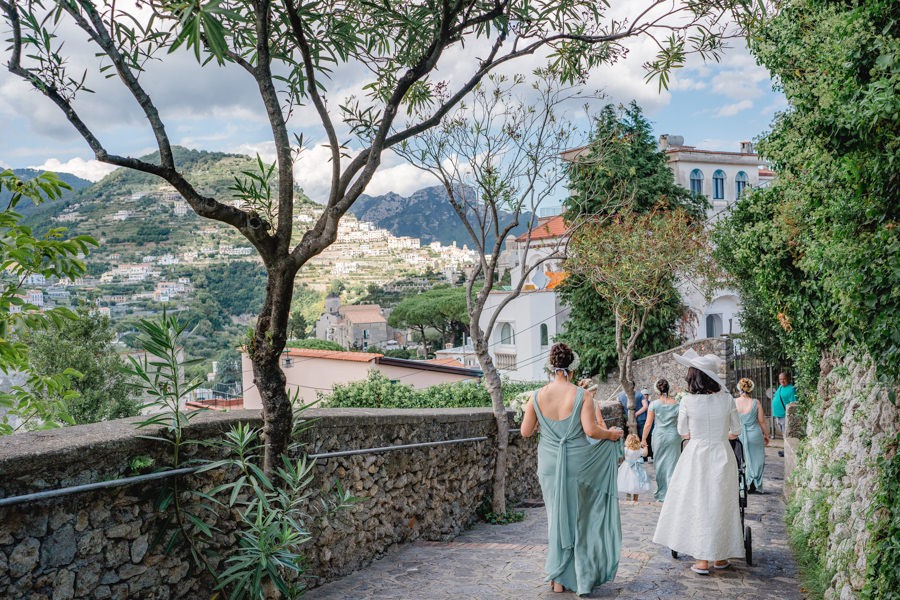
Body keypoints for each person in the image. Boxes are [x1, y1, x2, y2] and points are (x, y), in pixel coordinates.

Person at [521, 343, 625, 594]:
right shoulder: (582, 395)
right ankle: (575, 576)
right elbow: (591, 430)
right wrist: (610, 436)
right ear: (572, 366)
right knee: (579, 518)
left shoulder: (536, 396)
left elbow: (525, 432)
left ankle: (557, 578)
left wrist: (544, 426)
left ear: (550, 365)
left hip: (548, 463)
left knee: (555, 517)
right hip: (578, 463)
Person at [652, 349, 744, 575]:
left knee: (698, 503)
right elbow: (736, 430)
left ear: (695, 377)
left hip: (696, 455)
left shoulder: (688, 402)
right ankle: (720, 557)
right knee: (721, 502)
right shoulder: (727, 399)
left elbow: (683, 431)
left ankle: (702, 559)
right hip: (722, 453)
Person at [641, 378, 680, 501]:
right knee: (673, 464)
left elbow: (648, 424)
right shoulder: (676, 404)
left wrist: (643, 439)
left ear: (657, 390)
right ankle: (672, 492)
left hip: (659, 436)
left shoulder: (654, 404)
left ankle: (662, 492)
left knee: (659, 464)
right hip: (674, 436)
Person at [735, 377, 769, 493]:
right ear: (751, 389)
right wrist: (766, 435)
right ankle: (754, 481)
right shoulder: (756, 403)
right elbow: (762, 421)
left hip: (740, 435)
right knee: (758, 459)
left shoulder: (734, 402)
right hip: (755, 434)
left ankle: (744, 483)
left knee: (742, 460)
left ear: (739, 388)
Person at [618, 434, 651, 501]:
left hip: (627, 467)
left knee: (627, 481)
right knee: (637, 482)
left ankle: (628, 496)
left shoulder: (626, 449)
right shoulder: (639, 450)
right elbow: (645, 454)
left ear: (627, 441)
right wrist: (645, 446)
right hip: (637, 468)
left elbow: (620, 454)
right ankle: (635, 499)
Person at [771, 371, 797, 439]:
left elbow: (794, 404)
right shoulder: (780, 387)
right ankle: (785, 449)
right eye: (780, 379)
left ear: (788, 378)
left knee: (787, 435)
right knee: (784, 434)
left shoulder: (791, 389)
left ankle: (786, 449)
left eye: (784, 379)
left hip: (785, 416)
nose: (782, 381)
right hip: (778, 415)